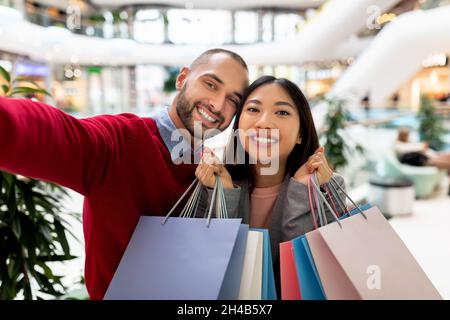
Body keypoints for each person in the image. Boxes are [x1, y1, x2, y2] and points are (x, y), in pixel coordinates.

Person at [0, 48, 249, 299]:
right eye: (210, 84)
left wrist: (224, 194)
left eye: (232, 100)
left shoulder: (212, 171)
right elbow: (53, 132)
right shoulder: (121, 143)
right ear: (182, 78)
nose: (218, 105)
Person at [194, 76, 347, 296]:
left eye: (282, 112)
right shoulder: (211, 183)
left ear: (301, 135)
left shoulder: (327, 189)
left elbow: (305, 279)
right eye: (254, 109)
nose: (264, 122)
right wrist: (224, 194)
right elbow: (215, 271)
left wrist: (303, 193)